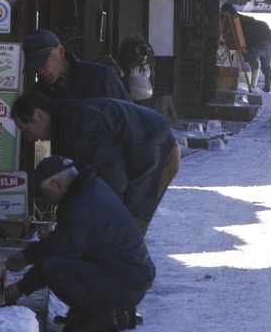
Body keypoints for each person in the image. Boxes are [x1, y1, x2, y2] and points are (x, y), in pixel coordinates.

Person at [3, 156, 155, 332]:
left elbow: (60, 252)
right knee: (58, 262)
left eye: (45, 193)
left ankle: (101, 318)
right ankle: (100, 311)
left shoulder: (84, 204)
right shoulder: (87, 191)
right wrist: (27, 256)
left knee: (53, 268)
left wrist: (19, 289)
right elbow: (62, 239)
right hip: (129, 278)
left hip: (127, 286)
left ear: (57, 185)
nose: (47, 199)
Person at [11, 91, 180, 236]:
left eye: (26, 130)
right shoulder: (62, 127)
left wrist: (103, 212)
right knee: (109, 225)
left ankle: (125, 262)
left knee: (124, 226)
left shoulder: (76, 123)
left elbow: (112, 171)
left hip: (156, 146)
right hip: (138, 151)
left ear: (39, 115)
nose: (29, 138)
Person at [21, 29, 131, 102]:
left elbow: (130, 118)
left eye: (42, 63)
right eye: (34, 67)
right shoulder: (38, 94)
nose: (39, 71)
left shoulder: (101, 77)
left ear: (60, 52)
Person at [221, 4, 271, 91]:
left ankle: (253, 83)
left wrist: (245, 48)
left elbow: (246, 36)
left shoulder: (238, 21)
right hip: (269, 38)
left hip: (263, 39)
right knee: (265, 64)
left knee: (248, 55)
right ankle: (266, 86)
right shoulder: (241, 19)